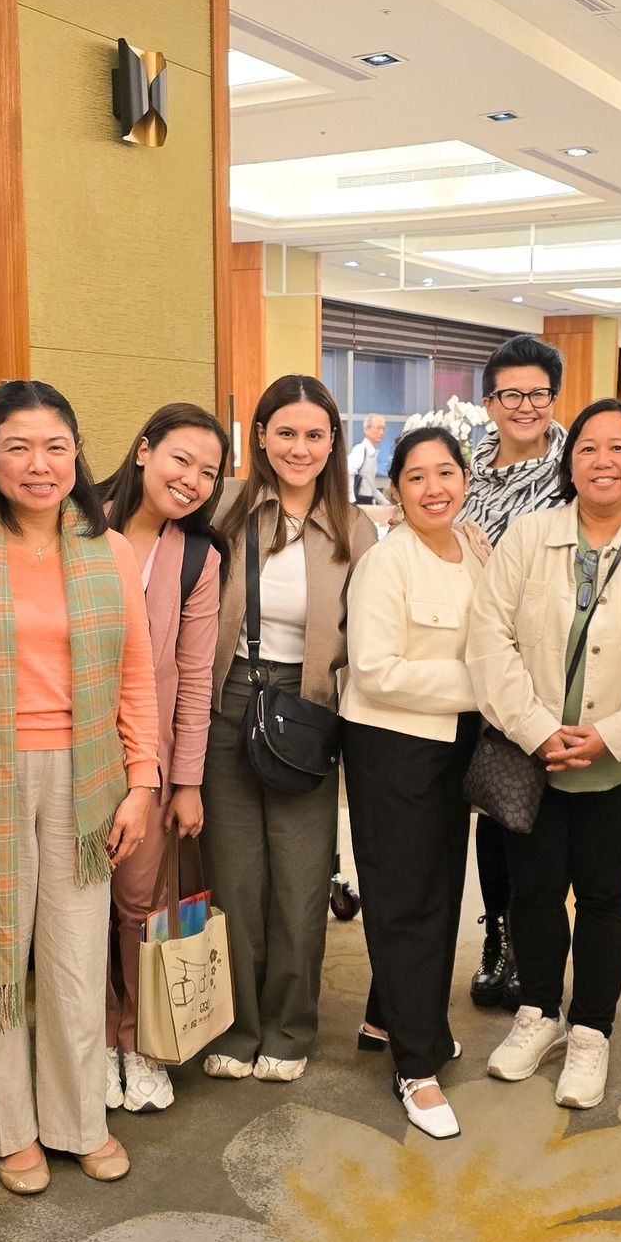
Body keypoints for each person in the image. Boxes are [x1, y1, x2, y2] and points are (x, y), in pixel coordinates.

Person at [0, 381, 160, 1194]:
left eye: (56, 447)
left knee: (76, 957)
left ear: (77, 454)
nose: (40, 465)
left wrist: (141, 783)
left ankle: (78, 1120)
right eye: (19, 448)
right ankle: (7, 1129)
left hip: (88, 774)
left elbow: (138, 676)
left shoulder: (109, 550)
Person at [468, 400, 621, 1110]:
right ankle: (539, 1012)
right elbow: (489, 640)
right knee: (534, 890)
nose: (602, 461)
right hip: (533, 753)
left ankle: (591, 1030)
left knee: (605, 894)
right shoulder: (527, 537)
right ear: (568, 463)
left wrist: (611, 734)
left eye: (619, 448)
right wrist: (536, 728)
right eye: (587, 449)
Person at [200, 374, 377, 1081]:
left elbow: (372, 629)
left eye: (313, 434)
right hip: (229, 698)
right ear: (262, 438)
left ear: (332, 441)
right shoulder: (225, 507)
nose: (299, 448)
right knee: (235, 876)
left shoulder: (355, 527)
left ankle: (291, 1025)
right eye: (285, 433)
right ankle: (239, 1025)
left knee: (301, 878)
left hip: (307, 711)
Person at [340, 425, 483, 1139]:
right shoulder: (386, 561)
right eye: (418, 476)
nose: (435, 487)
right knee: (406, 902)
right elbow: (375, 669)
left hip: (453, 746)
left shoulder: (473, 550)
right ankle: (416, 1064)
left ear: (465, 477)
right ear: (395, 487)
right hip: (390, 745)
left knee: (438, 888)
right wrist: (480, 684)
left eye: (446, 472)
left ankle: (386, 1014)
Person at [97, 402, 228, 1114]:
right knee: (74, 910)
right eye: (182, 459)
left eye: (209, 472)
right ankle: (88, 1043)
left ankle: (136, 1040)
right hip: (73, 751)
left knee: (138, 907)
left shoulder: (199, 557)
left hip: (149, 763)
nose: (193, 480)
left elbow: (196, 675)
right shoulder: (78, 522)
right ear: (144, 449)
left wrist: (186, 782)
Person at [459, 334, 570, 1013]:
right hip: (475, 669)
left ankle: (535, 955)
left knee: (544, 823)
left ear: (553, 397)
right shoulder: (466, 469)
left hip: (548, 673)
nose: (524, 406)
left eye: (537, 393)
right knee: (494, 809)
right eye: (510, 395)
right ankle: (496, 937)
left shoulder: (571, 471)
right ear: (489, 401)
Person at [347, 413, 387, 504]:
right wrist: (351, 500)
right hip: (358, 501)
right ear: (366, 429)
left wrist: (386, 504)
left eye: (383, 429)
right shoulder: (360, 449)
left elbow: (371, 487)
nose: (381, 432)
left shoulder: (373, 453)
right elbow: (348, 472)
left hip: (367, 500)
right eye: (378, 428)